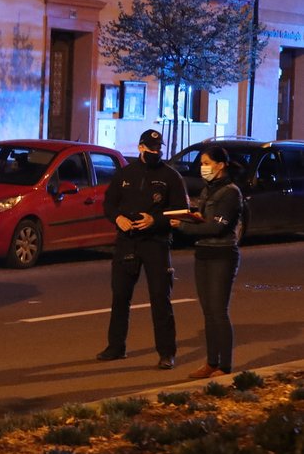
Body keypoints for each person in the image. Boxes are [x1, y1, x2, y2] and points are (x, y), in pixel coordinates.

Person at [97, 129, 189, 369]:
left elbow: (181, 212)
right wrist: (117, 218)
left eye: (159, 149)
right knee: (120, 296)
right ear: (140, 148)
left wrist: (155, 220)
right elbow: (109, 203)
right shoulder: (126, 174)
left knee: (160, 297)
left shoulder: (171, 177)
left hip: (156, 243)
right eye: (151, 149)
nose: (156, 153)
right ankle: (116, 347)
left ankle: (167, 353)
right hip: (127, 241)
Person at [170, 146, 242, 378]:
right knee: (208, 311)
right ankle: (211, 362)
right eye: (202, 163)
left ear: (220, 165)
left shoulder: (230, 192)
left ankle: (225, 366)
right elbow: (206, 220)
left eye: (207, 163)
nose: (203, 167)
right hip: (203, 252)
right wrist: (192, 217)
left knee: (219, 311)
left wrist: (183, 225)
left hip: (222, 254)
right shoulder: (208, 190)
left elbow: (218, 226)